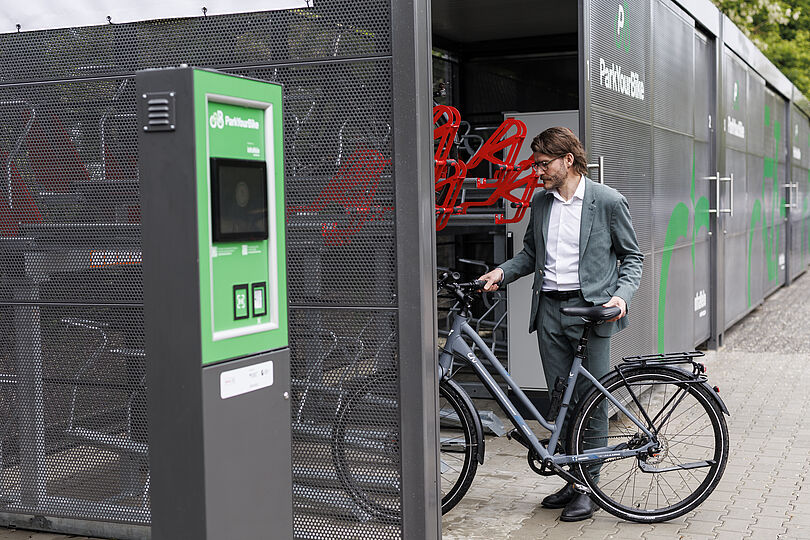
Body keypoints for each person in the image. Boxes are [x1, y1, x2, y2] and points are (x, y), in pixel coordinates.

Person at [478, 127, 643, 522]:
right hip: (550, 310)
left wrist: (621, 297)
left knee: (590, 401)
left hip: (590, 312)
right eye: (536, 165)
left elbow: (632, 257)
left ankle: (590, 488)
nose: (537, 172)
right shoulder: (541, 203)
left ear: (568, 160)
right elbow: (529, 255)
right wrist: (501, 272)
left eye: (543, 164)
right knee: (561, 400)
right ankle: (572, 477)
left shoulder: (607, 201)